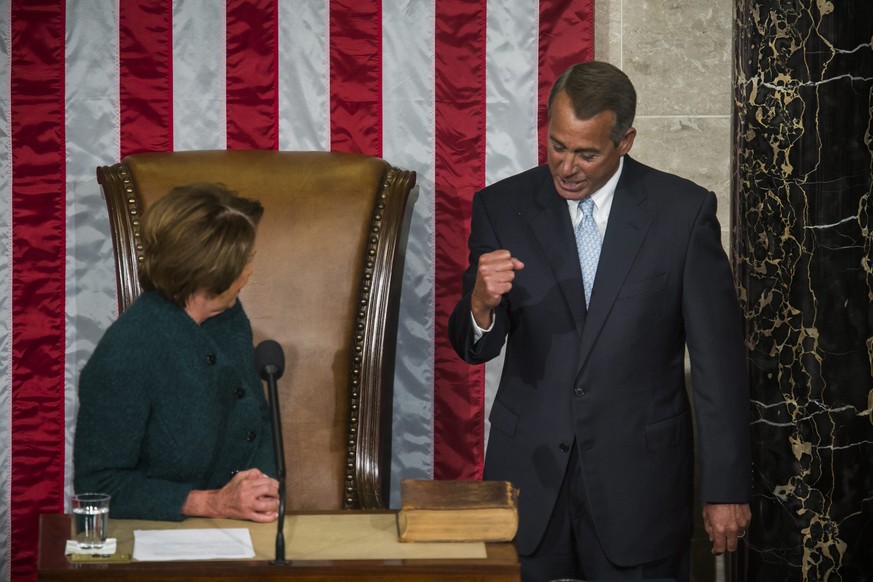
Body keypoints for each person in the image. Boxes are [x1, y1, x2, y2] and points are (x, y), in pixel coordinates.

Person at [448, 61, 752, 582]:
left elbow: (717, 366)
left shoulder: (682, 214)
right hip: (531, 479)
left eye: (586, 153)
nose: (567, 167)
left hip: (640, 488)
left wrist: (725, 489)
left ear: (625, 141)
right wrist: (480, 305)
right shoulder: (502, 207)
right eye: (557, 147)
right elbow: (474, 347)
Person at [74, 183, 280, 523]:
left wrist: (262, 489)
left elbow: (256, 419)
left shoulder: (228, 318)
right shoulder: (126, 353)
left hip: (243, 531)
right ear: (211, 274)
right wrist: (210, 503)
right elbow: (98, 487)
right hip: (156, 537)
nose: (250, 271)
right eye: (246, 259)